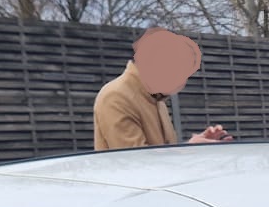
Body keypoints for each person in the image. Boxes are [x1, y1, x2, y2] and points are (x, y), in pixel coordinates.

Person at [93, 27, 231, 151]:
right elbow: (135, 162)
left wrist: (194, 144)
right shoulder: (115, 97)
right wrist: (188, 149)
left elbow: (163, 155)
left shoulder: (155, 99)